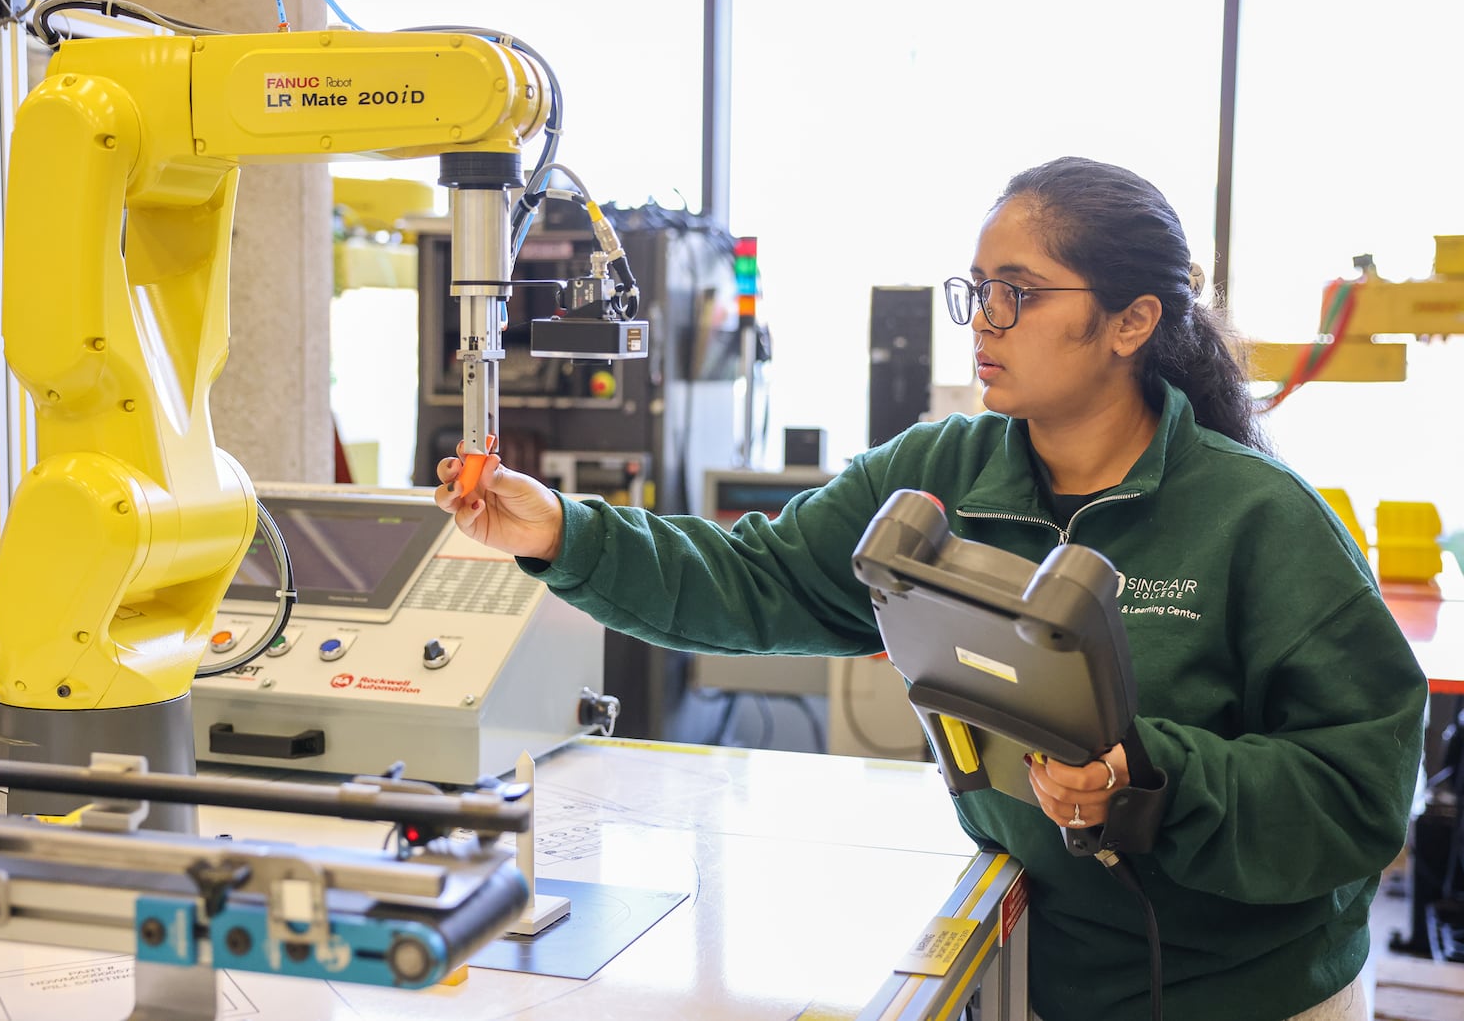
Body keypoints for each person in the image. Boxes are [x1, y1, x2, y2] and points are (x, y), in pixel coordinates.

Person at [434, 156, 1427, 1021]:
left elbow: (1359, 792)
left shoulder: (1259, 519)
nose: (983, 321)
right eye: (977, 288)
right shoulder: (938, 475)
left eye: (1019, 293)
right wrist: (566, 531)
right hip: (1035, 964)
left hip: (1249, 994)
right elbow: (753, 581)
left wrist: (1146, 775)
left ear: (1130, 321)